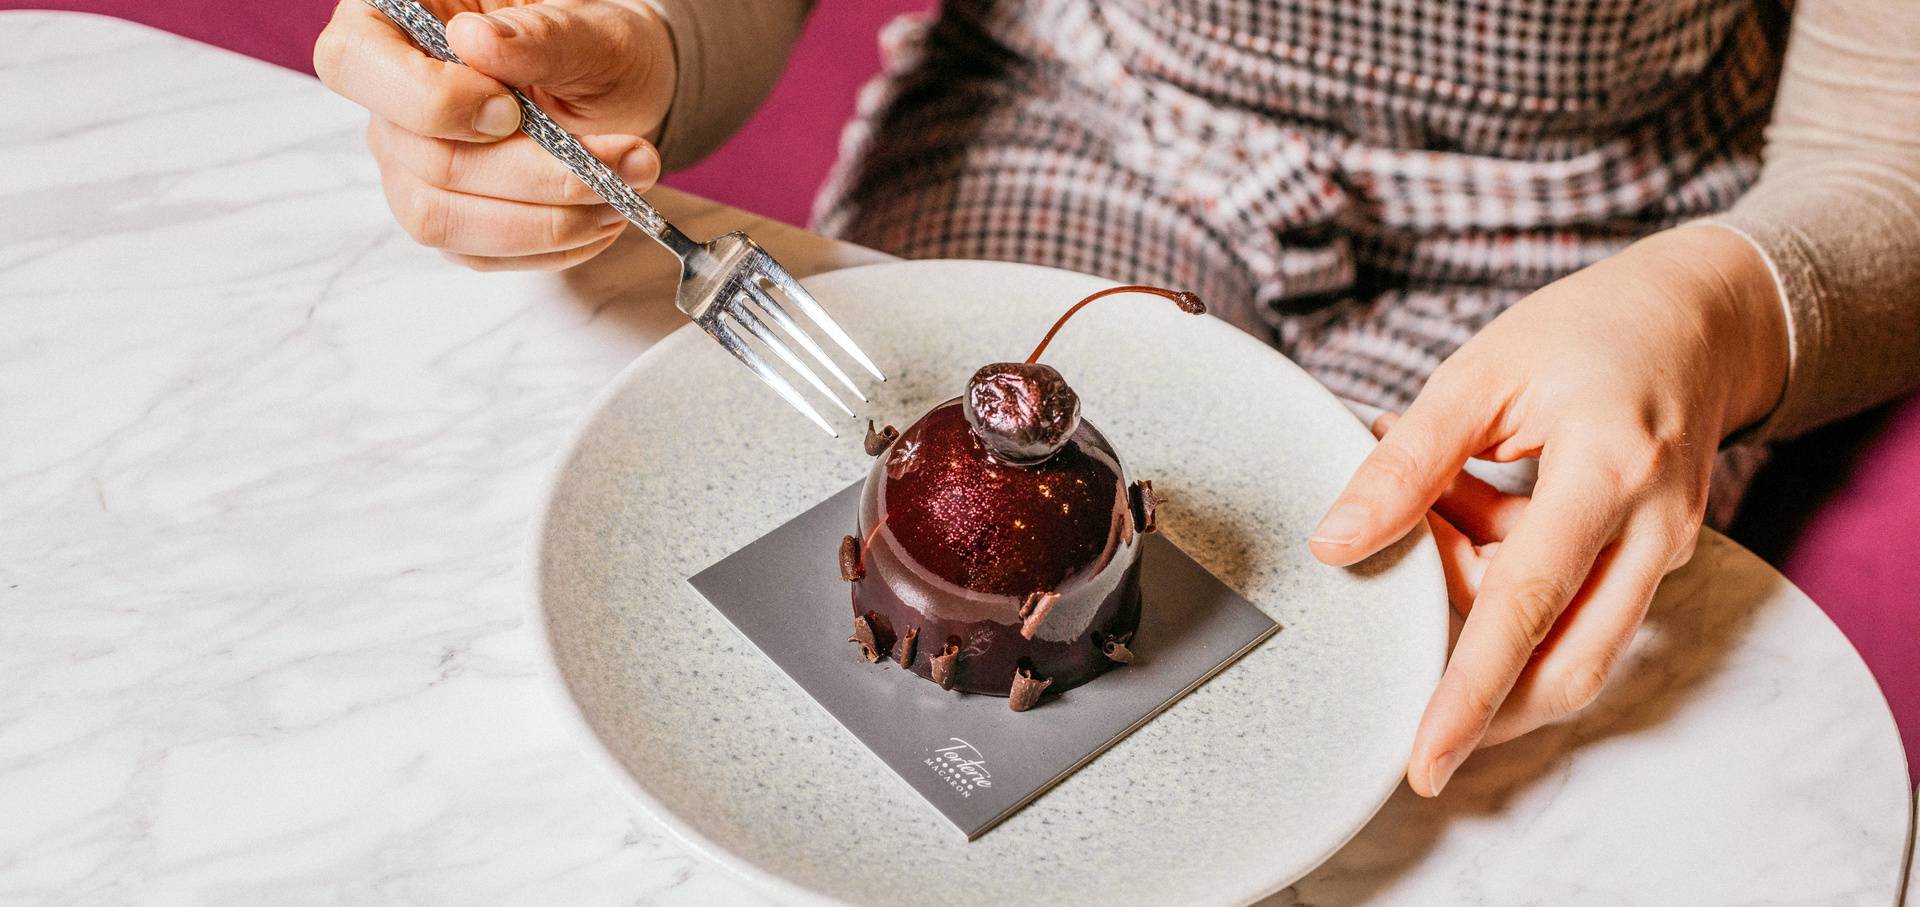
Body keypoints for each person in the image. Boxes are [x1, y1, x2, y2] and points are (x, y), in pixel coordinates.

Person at [314, 0, 1920, 796]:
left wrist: (1719, 316)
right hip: (1092, 121)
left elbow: (1888, 145)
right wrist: (625, 39)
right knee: (896, 753)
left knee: (1329, 763)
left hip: (1606, 243)